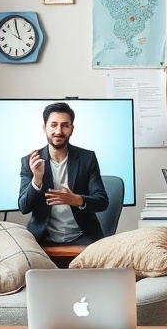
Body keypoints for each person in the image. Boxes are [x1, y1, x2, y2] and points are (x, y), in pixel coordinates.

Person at [18, 102, 108, 245]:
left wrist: (76, 200)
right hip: (43, 238)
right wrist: (37, 179)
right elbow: (24, 207)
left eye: (65, 125)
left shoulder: (87, 158)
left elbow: (102, 201)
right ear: (44, 128)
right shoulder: (30, 161)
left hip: (82, 235)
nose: (58, 131)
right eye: (53, 125)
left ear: (71, 129)